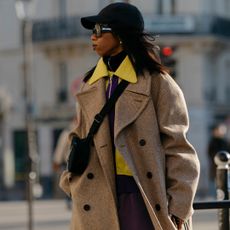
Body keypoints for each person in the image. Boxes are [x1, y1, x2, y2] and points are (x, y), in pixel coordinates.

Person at [59, 3, 200, 230]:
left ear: (120, 35)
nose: (92, 38)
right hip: (98, 197)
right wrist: (72, 182)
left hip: (144, 195)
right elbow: (77, 138)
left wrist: (179, 206)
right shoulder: (90, 85)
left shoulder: (157, 83)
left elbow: (178, 147)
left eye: (98, 30)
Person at [207, 123, 230, 197]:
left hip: (226, 168)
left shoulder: (225, 142)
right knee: (215, 187)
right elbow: (211, 154)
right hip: (215, 168)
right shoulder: (213, 142)